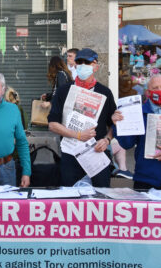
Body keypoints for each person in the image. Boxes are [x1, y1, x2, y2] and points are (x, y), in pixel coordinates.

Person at [48, 48, 117, 187]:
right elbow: (52, 124)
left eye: (88, 62)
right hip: (70, 156)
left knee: (100, 200)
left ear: (96, 67)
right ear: (75, 65)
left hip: (97, 156)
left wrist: (107, 140)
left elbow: (114, 124)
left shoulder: (105, 92)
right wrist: (78, 135)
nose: (83, 65)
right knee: (70, 201)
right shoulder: (64, 90)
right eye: (80, 62)